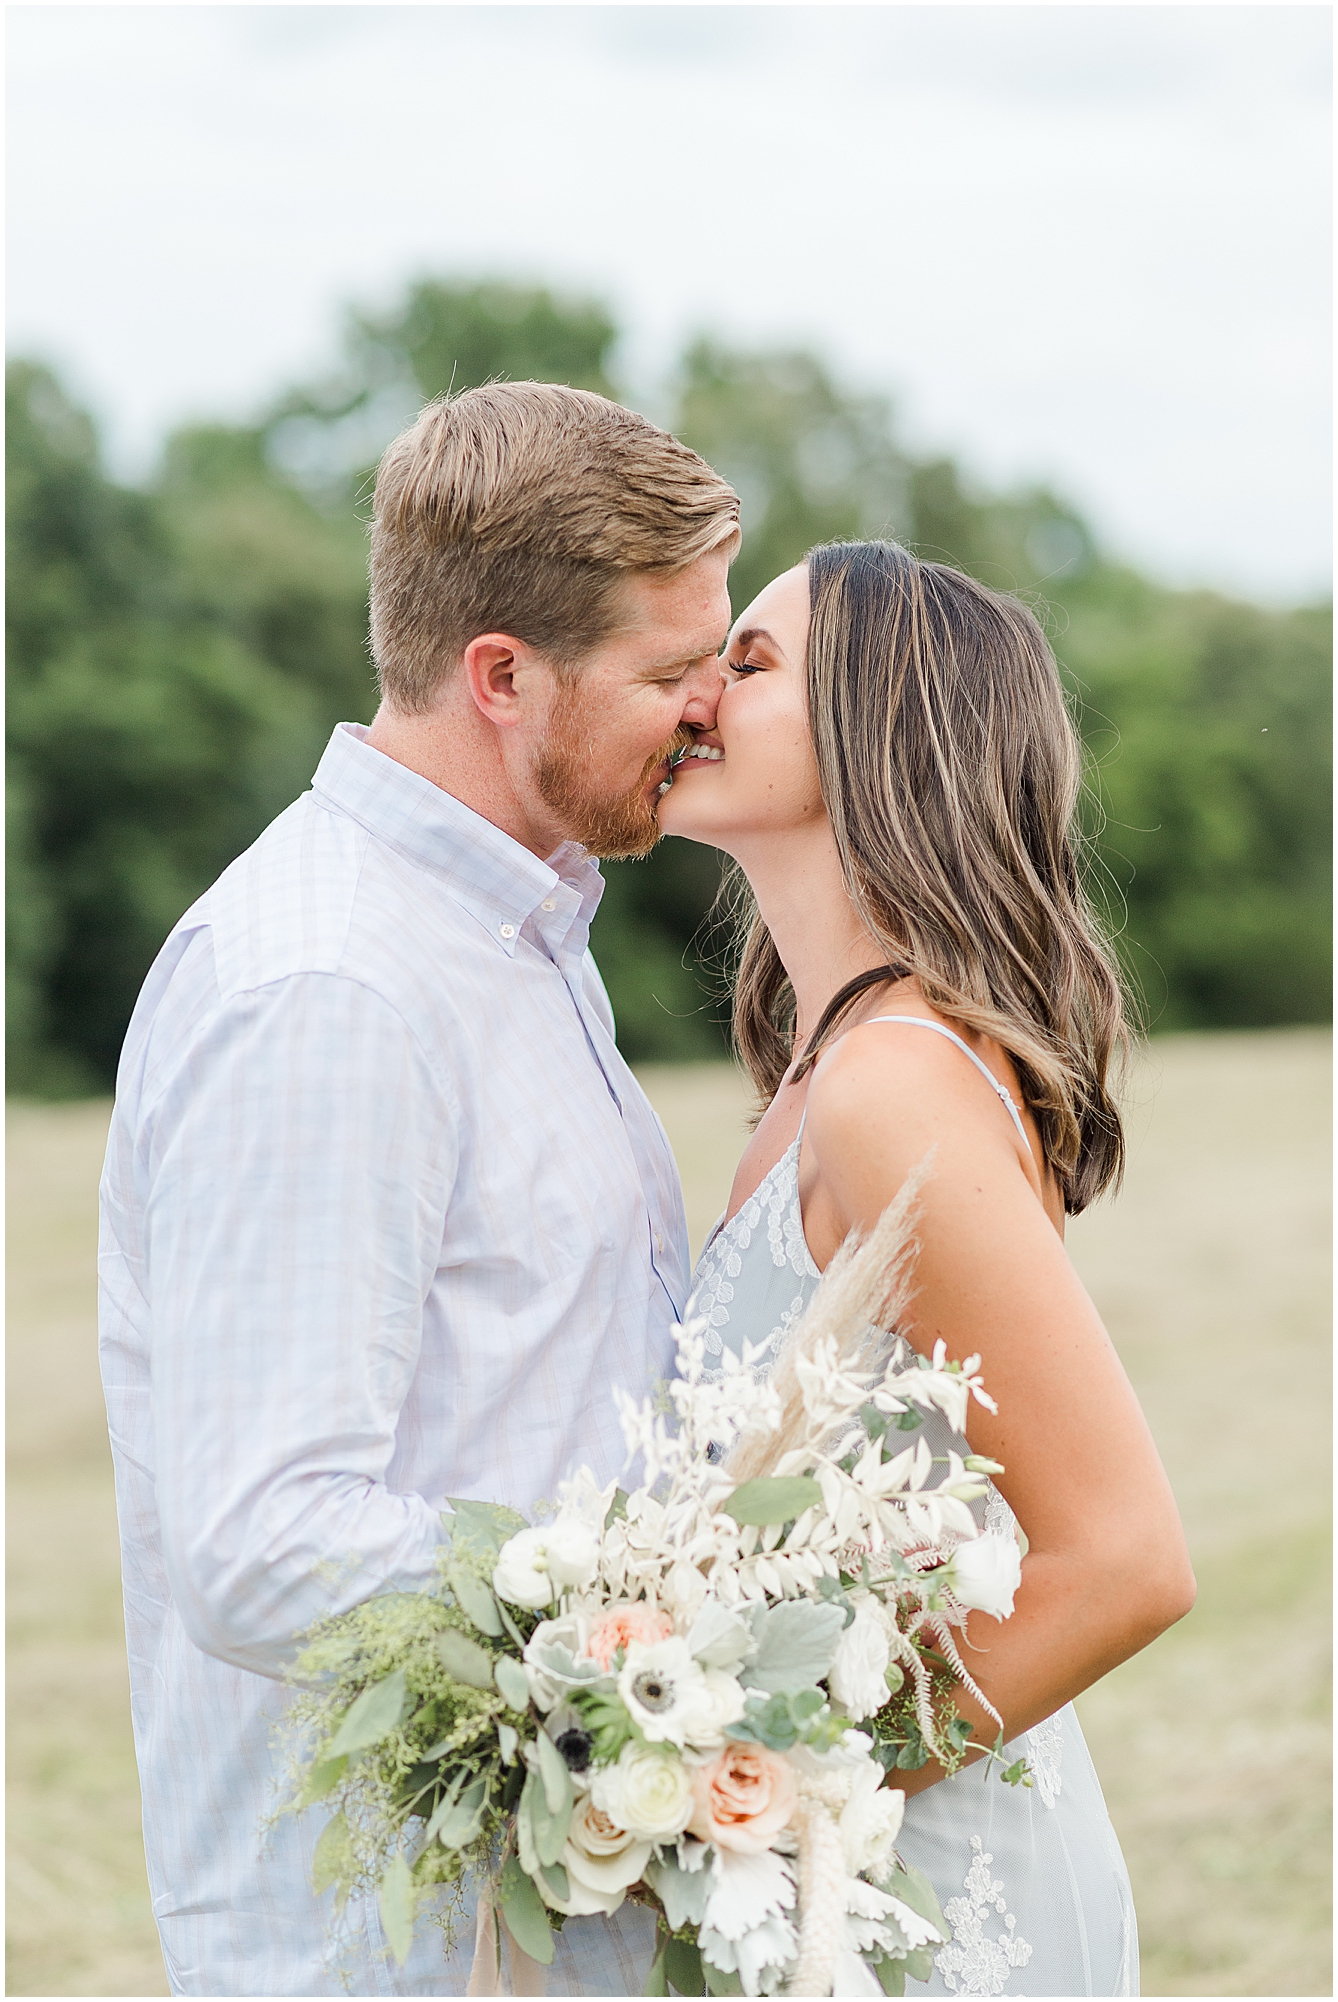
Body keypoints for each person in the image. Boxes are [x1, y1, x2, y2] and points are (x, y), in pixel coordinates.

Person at [97, 383, 740, 1997]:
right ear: (501, 677)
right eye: (671, 671)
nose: (711, 708)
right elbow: (258, 1542)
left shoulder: (518, 928)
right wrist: (675, 1611)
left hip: (547, 1916)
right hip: (393, 1942)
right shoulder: (331, 984)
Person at [659, 540, 1196, 1997]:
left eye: (750, 662)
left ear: (872, 732)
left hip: (937, 1897)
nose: (696, 690)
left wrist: (768, 1790)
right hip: (834, 1893)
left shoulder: (888, 1083)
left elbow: (1123, 1560)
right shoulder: (808, 1079)